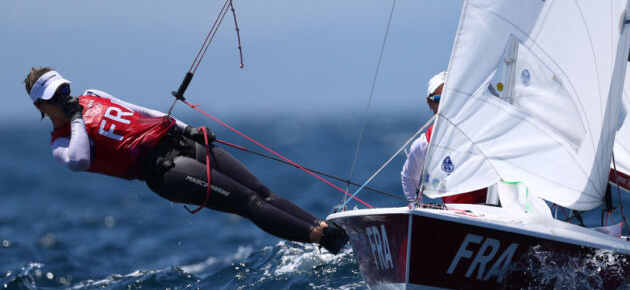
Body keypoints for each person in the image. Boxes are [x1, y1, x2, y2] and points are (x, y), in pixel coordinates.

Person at [25, 67, 348, 254]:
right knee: (247, 202)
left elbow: (142, 112)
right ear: (42, 105)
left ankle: (322, 226)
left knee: (263, 192)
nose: (65, 97)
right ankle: (323, 238)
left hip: (180, 141)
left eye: (65, 88)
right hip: (166, 170)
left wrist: (186, 128)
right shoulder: (61, 144)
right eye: (55, 96)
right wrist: (77, 119)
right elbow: (80, 160)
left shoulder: (93, 93)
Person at [400, 71, 488, 205]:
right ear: (430, 104)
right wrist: (417, 205)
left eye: (453, 98)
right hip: (456, 215)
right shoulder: (424, 144)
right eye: (440, 100)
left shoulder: (485, 130)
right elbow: (408, 177)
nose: (448, 105)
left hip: (494, 212)